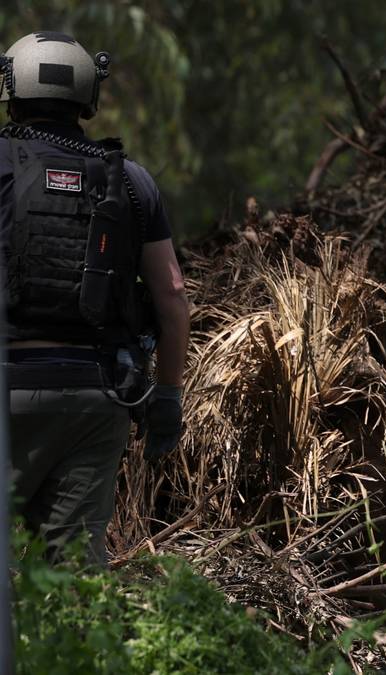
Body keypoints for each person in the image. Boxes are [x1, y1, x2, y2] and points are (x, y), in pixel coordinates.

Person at [1, 31, 190, 564]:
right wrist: (169, 399)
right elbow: (173, 294)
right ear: (88, 97)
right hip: (98, 396)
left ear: (10, 90)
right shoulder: (130, 181)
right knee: (74, 577)